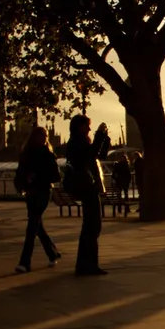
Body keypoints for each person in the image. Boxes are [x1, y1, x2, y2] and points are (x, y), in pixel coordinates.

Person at [64, 115, 111, 276]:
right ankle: (87, 265)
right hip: (86, 186)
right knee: (92, 225)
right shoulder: (76, 143)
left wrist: (104, 138)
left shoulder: (82, 142)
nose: (89, 129)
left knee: (92, 226)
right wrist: (99, 136)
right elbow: (91, 155)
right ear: (79, 127)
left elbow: (100, 155)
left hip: (89, 186)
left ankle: (87, 263)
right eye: (87, 126)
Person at [14, 126, 62, 273]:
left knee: (32, 227)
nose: (44, 138)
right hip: (31, 192)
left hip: (42, 192)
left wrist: (38, 176)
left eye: (45, 136)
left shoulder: (48, 155)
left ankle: (25, 262)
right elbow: (20, 173)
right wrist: (23, 182)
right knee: (37, 227)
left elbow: (56, 177)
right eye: (41, 135)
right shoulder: (26, 155)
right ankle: (52, 253)